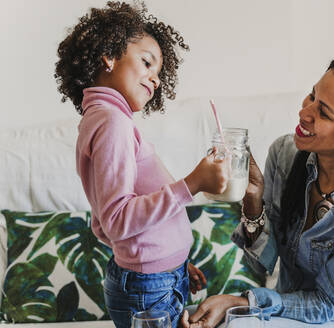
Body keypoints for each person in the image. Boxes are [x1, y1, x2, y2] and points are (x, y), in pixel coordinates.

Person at [181, 51, 334, 328]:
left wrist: (244, 303)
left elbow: (327, 305)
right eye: (312, 96)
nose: (304, 112)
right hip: (288, 309)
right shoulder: (284, 155)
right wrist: (253, 200)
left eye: (323, 112)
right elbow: (263, 264)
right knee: (187, 316)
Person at [54, 2, 228, 328]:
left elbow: (104, 224)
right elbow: (118, 219)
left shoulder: (104, 120)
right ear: (109, 55)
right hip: (150, 288)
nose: (156, 79)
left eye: (160, 72)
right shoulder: (112, 124)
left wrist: (168, 260)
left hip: (156, 279)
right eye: (147, 62)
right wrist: (193, 183)